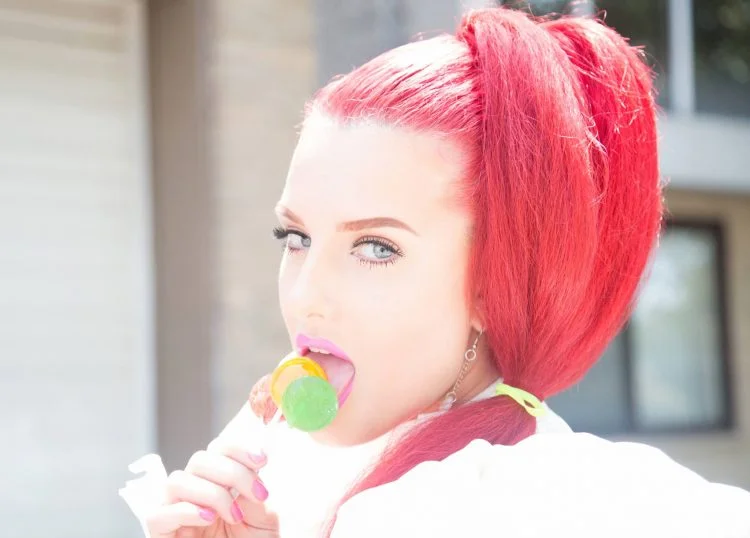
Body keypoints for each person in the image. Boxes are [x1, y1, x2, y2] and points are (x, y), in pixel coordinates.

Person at [119, 7, 750, 538]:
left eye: (376, 248)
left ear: (492, 285)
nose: (306, 296)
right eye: (297, 238)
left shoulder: (526, 501)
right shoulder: (292, 477)